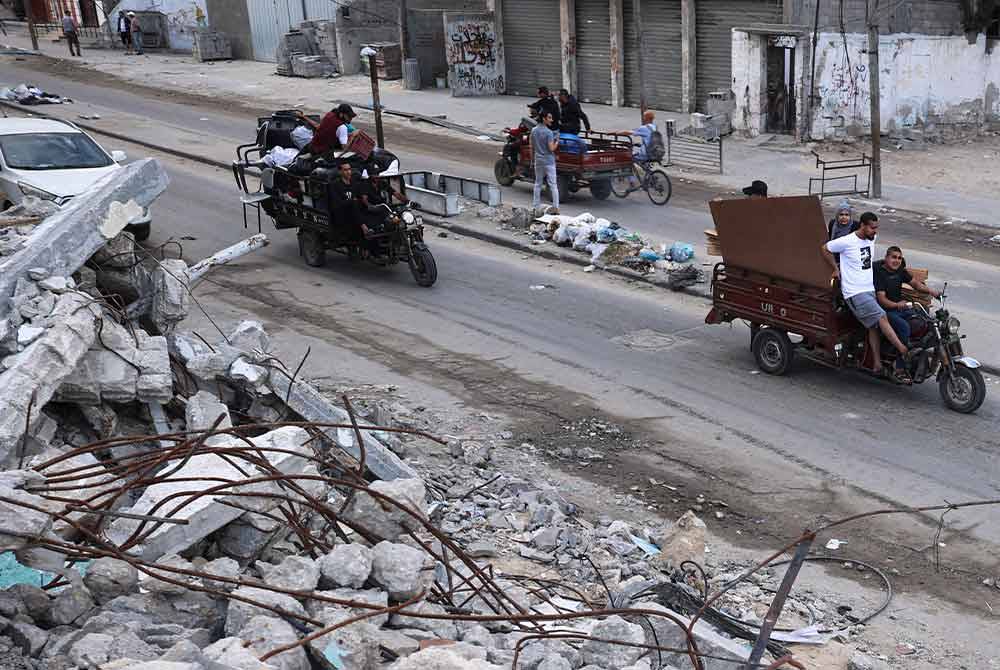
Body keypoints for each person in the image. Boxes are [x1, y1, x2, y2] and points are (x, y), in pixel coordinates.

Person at [822, 212, 911, 382]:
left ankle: (877, 364)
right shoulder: (847, 241)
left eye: (876, 228)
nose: (875, 231)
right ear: (862, 225)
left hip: (868, 290)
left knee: (873, 327)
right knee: (882, 317)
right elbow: (825, 248)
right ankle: (903, 350)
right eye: (872, 228)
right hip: (855, 293)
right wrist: (835, 268)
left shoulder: (870, 238)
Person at [875, 245, 941, 344]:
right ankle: (903, 356)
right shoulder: (880, 274)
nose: (896, 260)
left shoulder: (900, 271)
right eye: (893, 257)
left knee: (926, 319)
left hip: (901, 308)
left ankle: (920, 348)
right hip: (886, 311)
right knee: (905, 327)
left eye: (899, 258)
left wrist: (933, 292)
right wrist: (897, 305)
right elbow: (882, 299)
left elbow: (916, 284)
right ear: (886, 258)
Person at [531, 111, 560, 213]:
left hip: (538, 160)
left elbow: (532, 147)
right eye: (549, 118)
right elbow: (551, 148)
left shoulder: (533, 130)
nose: (551, 120)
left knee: (538, 183)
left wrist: (532, 160)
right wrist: (557, 141)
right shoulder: (549, 132)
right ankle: (556, 207)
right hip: (549, 161)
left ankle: (535, 206)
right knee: (553, 185)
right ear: (544, 119)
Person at [329, 162, 359, 237]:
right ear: (340, 172)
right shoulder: (335, 185)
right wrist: (352, 201)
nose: (348, 172)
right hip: (343, 214)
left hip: (355, 211)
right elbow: (338, 203)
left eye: (349, 169)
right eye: (345, 170)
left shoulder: (354, 182)